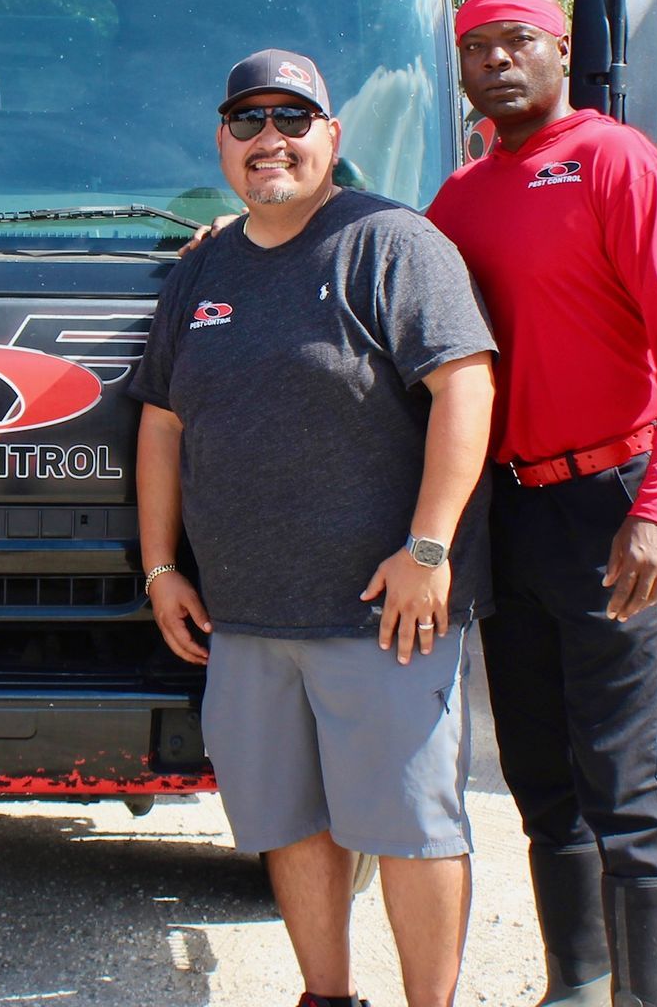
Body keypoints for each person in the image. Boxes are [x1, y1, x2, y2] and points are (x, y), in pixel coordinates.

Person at [133, 49, 497, 1007]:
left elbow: (466, 385)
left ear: (332, 138)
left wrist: (429, 549)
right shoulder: (200, 270)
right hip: (246, 617)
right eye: (248, 121)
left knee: (411, 828)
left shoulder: (391, 244)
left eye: (293, 119)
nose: (270, 140)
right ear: (222, 142)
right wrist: (161, 566)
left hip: (381, 615)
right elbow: (162, 424)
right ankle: (325, 996)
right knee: (288, 823)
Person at [425, 0, 657, 1007]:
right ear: (462, 72)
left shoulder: (615, 163)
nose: (499, 61)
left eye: (520, 42)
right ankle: (578, 983)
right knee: (542, 775)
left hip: (615, 503)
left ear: (562, 55)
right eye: (480, 48)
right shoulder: (461, 198)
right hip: (508, 516)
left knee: (628, 786)